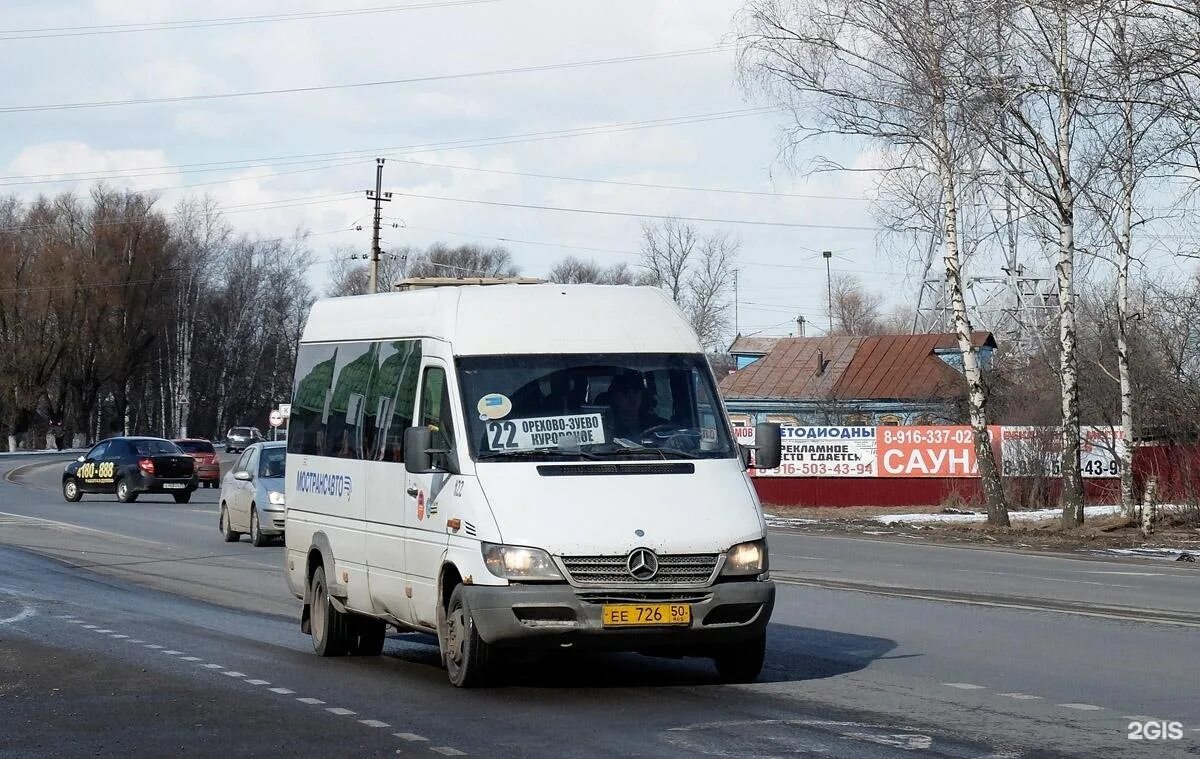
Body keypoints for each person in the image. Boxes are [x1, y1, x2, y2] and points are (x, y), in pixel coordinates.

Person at [605, 372, 667, 441]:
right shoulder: (607, 426)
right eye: (625, 393)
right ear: (615, 397)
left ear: (642, 395)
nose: (632, 398)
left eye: (636, 392)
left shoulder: (658, 424)